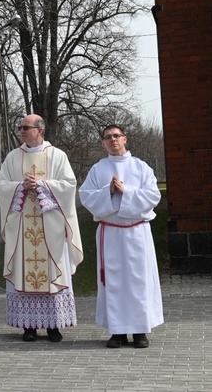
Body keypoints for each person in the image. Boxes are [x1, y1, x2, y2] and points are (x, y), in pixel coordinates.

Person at [0, 114, 83, 342]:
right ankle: (29, 326)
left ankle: (54, 325)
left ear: (40, 130)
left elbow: (69, 185)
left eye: (26, 127)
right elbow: (0, 185)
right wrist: (20, 187)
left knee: (53, 271)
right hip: (23, 228)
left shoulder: (57, 155)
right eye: (20, 127)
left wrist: (43, 185)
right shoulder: (13, 157)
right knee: (24, 272)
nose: (21, 131)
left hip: (51, 228)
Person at [79, 124, 163, 349]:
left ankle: (139, 331)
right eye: (107, 137)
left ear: (125, 139)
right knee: (113, 282)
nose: (112, 140)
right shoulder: (98, 169)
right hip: (111, 233)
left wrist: (126, 191)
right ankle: (117, 332)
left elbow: (153, 195)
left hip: (136, 232)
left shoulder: (141, 167)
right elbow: (85, 196)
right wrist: (109, 191)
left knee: (138, 280)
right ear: (103, 143)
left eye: (116, 136)